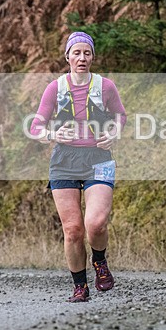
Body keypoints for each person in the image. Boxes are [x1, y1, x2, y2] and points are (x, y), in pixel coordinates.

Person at [30, 31, 126, 302]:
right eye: (77, 53)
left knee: (95, 224)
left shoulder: (105, 86)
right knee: (72, 229)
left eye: (87, 53)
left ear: (93, 57)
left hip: (98, 159)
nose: (82, 58)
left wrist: (114, 133)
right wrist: (53, 135)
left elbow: (121, 116)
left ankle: (100, 262)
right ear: (68, 57)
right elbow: (35, 125)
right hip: (64, 161)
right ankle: (80, 287)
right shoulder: (56, 88)